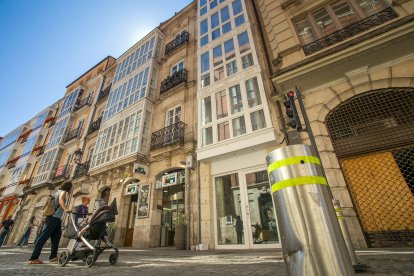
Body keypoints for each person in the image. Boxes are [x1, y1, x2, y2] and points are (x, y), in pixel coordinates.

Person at [29, 181, 72, 264]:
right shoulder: (63, 192)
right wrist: (66, 209)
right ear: (68, 187)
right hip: (52, 218)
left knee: (56, 238)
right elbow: (60, 201)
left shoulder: (57, 192)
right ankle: (33, 258)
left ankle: (53, 256)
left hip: (56, 219)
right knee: (43, 238)